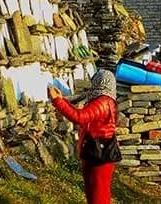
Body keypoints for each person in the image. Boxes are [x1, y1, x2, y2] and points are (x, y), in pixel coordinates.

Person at [47, 70, 118, 204]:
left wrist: (57, 101)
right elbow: (82, 115)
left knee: (97, 196)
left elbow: (79, 118)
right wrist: (62, 99)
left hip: (98, 155)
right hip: (99, 154)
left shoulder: (102, 102)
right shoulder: (106, 101)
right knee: (98, 194)